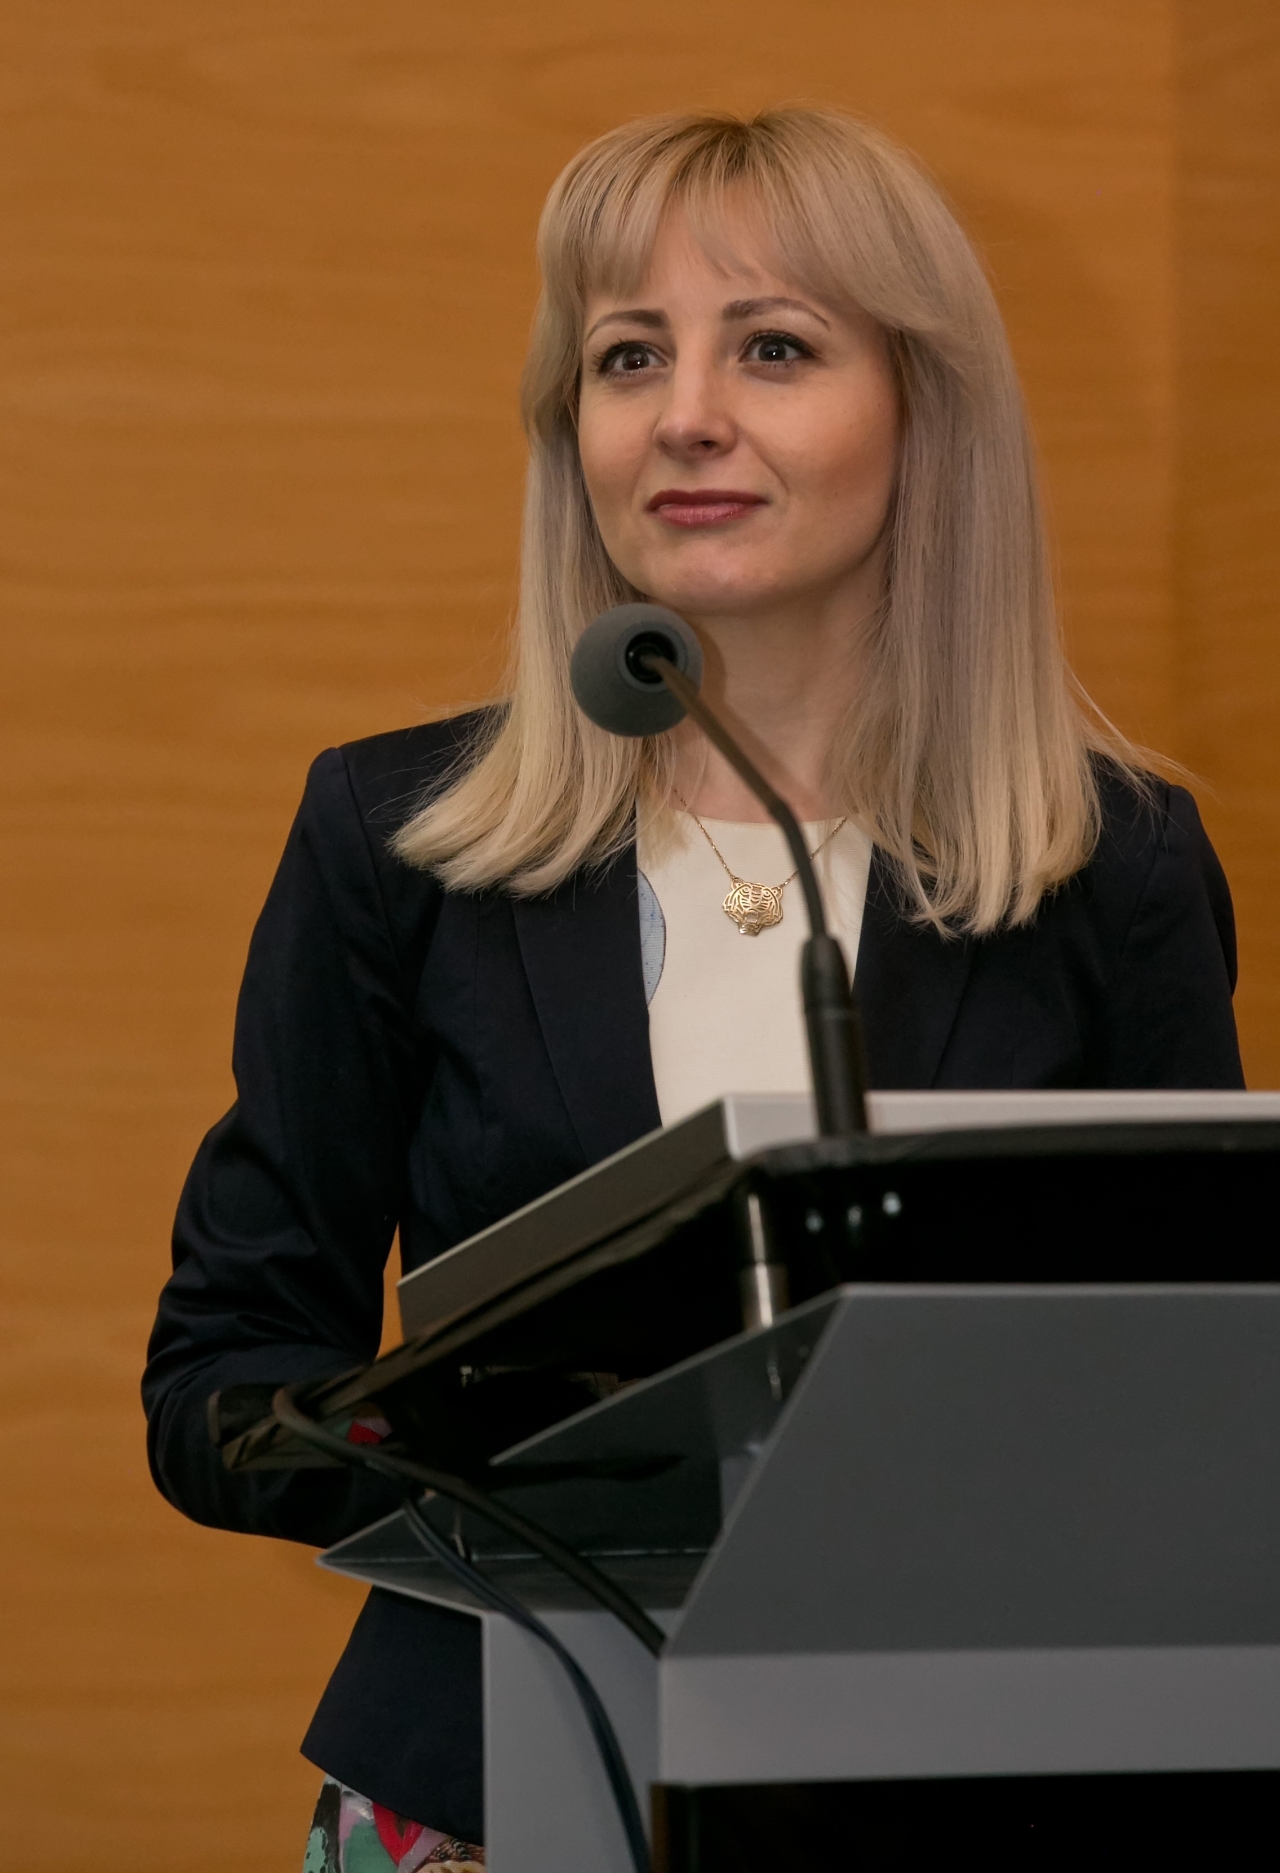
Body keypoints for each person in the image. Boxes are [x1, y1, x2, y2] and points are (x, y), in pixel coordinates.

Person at [142, 107, 1243, 1872]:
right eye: (629, 356)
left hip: (972, 1799)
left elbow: (1199, 1404)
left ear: (927, 413)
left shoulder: (1112, 871)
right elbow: (223, 1376)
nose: (686, 415)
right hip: (490, 1789)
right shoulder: (398, 845)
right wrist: (519, 1462)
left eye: (775, 349)